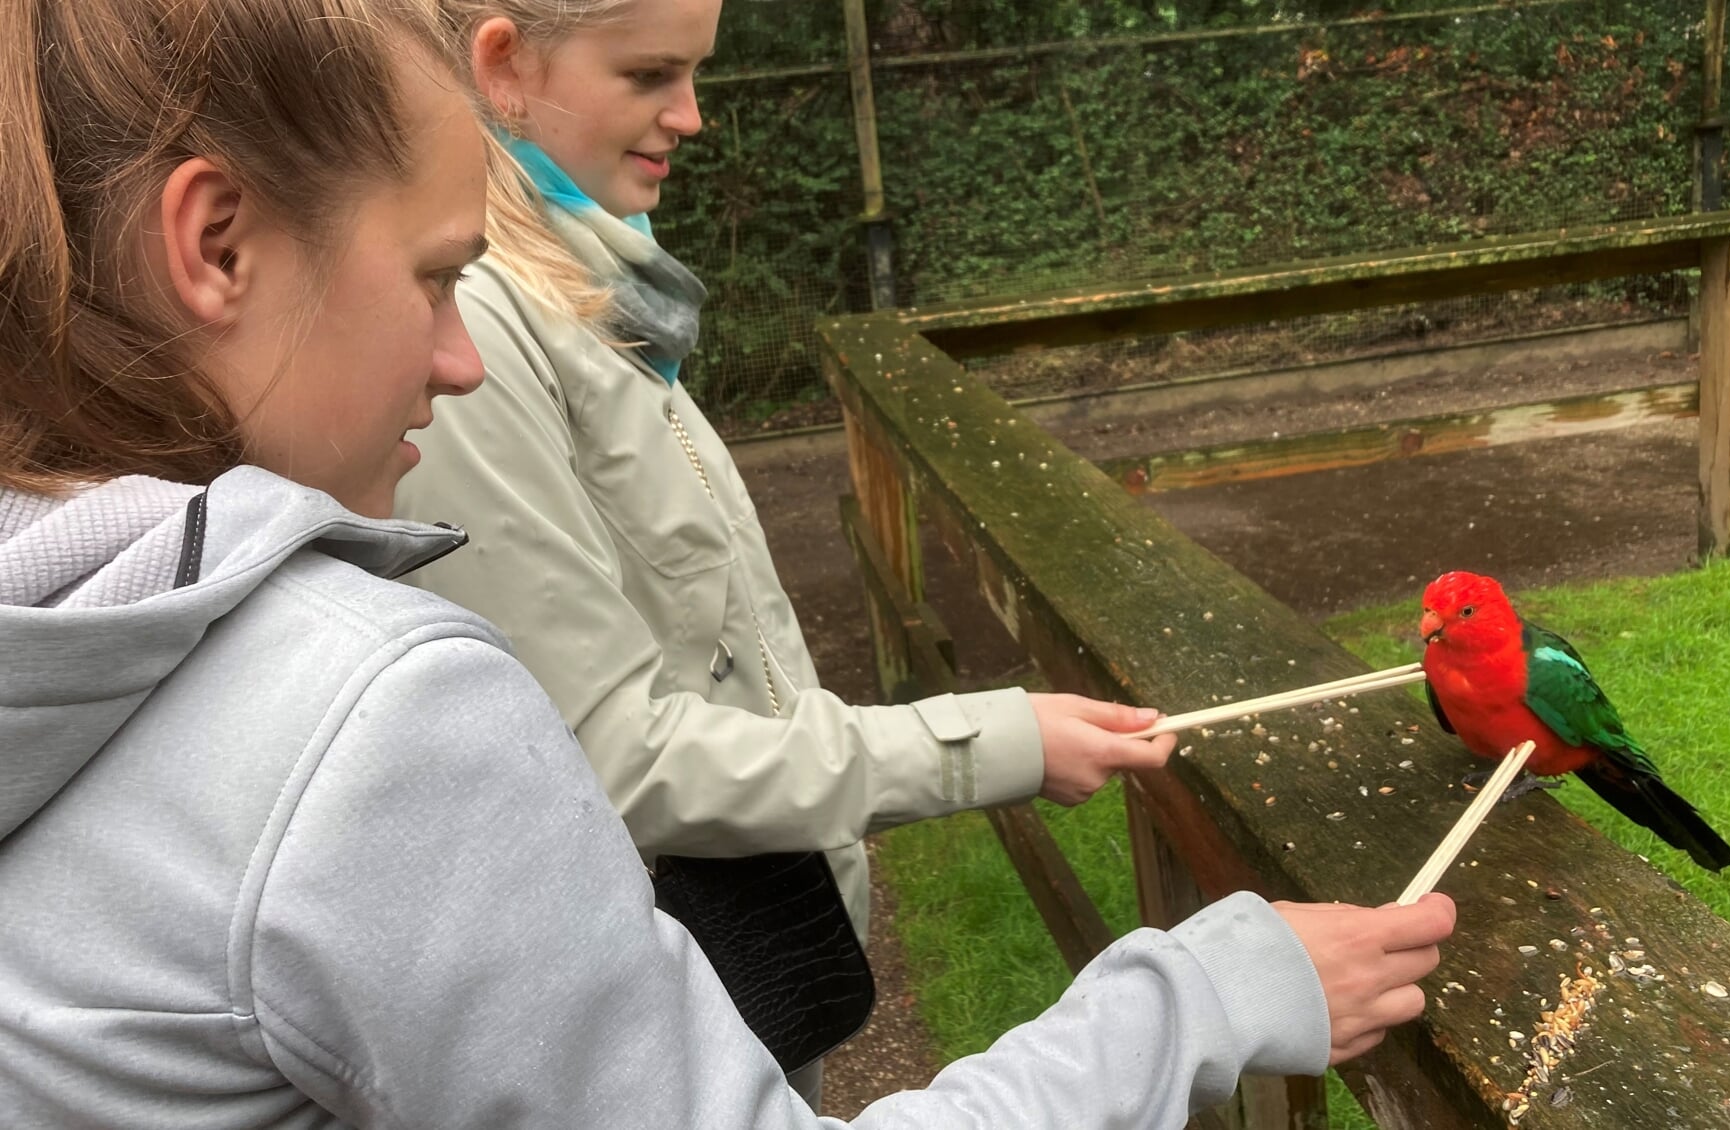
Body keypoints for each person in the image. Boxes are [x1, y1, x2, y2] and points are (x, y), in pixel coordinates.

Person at [0, 0, 1455, 1124]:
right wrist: (1199, 990)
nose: (450, 353)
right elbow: (621, 744)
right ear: (215, 242)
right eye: (431, 279)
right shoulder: (359, 720)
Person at [397, 0, 1182, 1096]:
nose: (692, 116)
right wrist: (992, 745)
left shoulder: (602, 292)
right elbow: (606, 760)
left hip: (742, 952)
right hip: (651, 1002)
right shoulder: (475, 334)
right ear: (503, 66)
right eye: (650, 75)